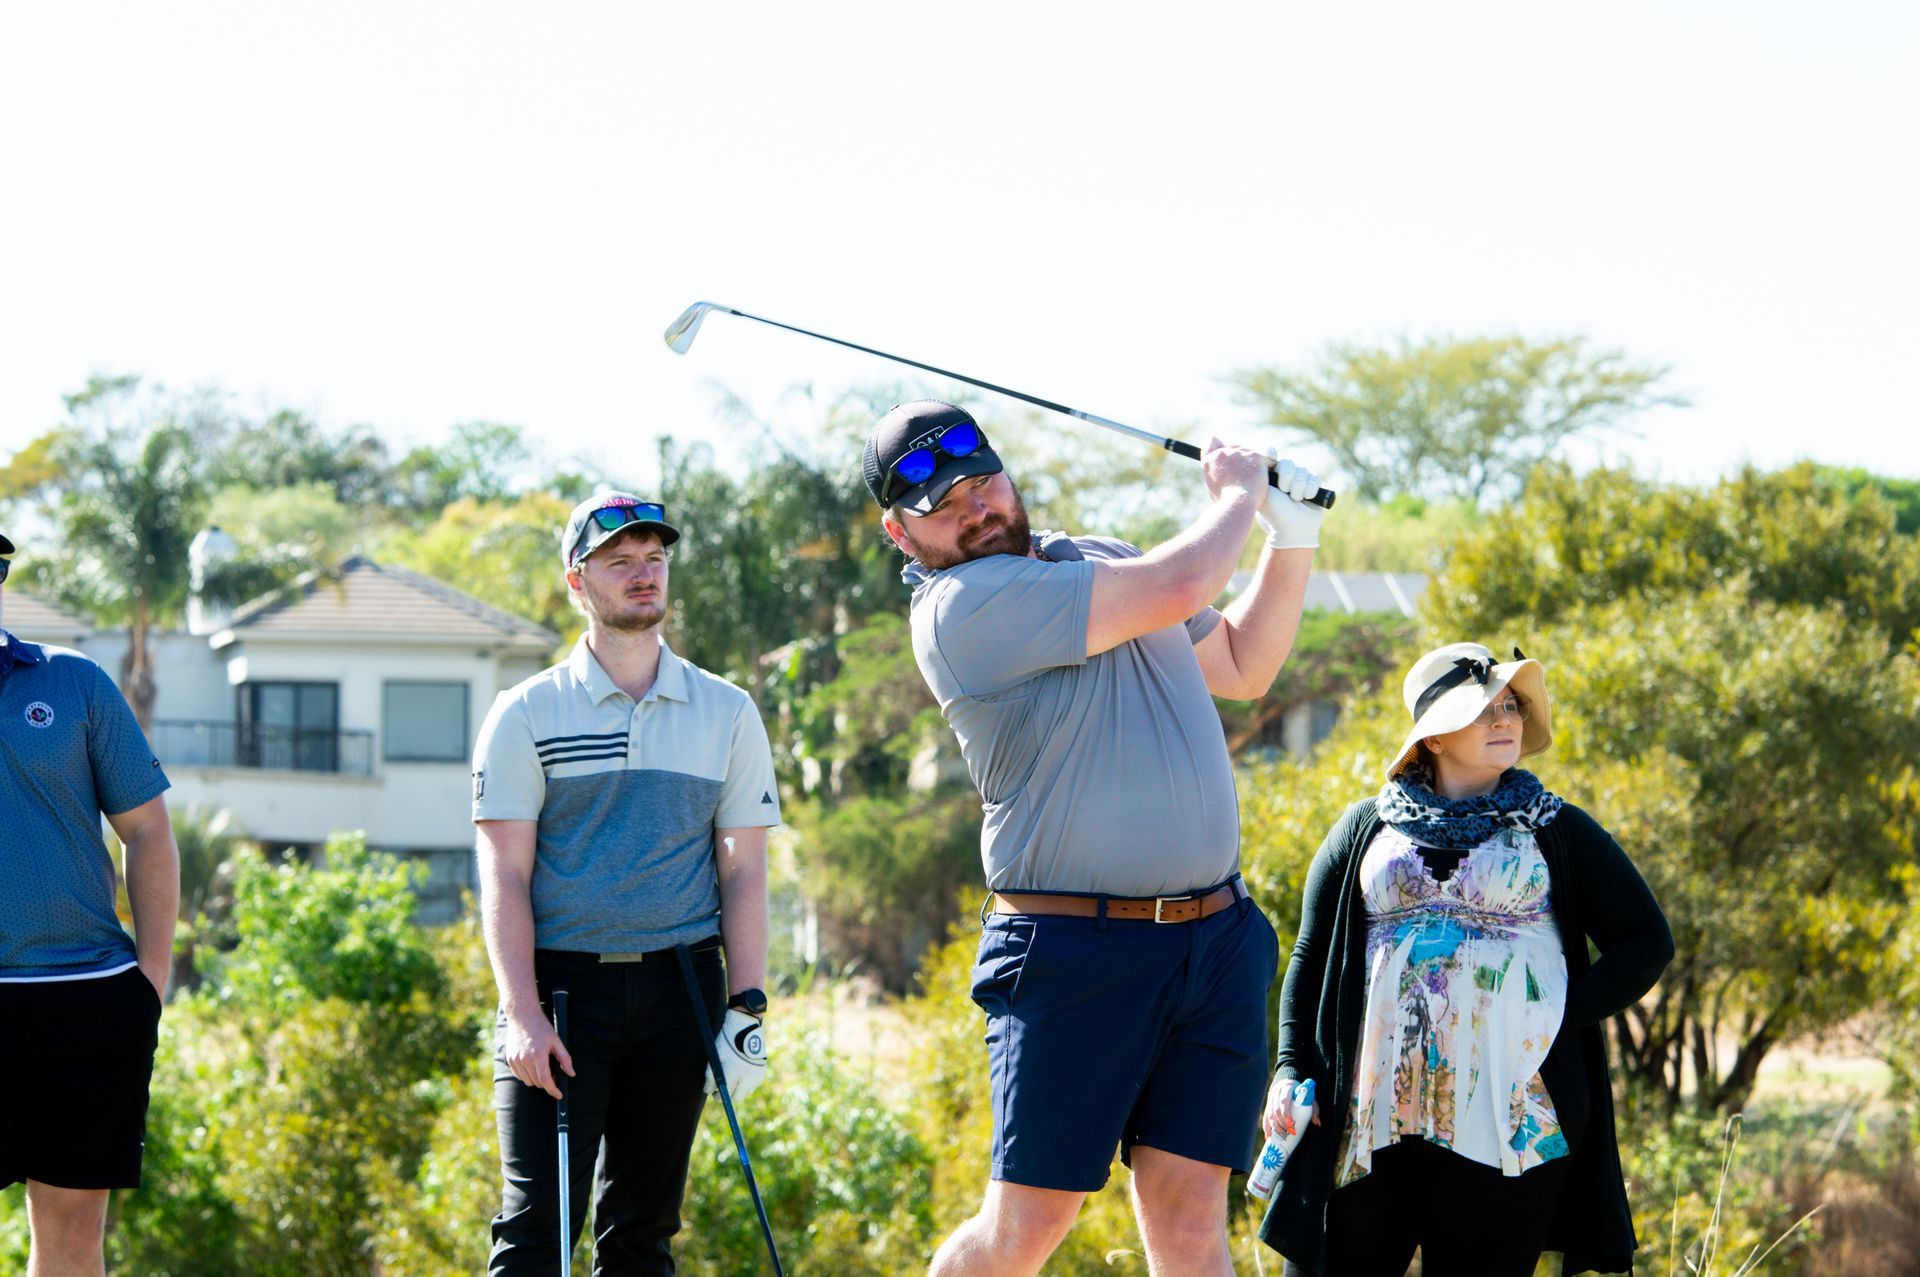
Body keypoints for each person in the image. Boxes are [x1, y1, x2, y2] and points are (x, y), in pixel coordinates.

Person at [865, 400, 1327, 1276]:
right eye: (942, 505)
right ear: (901, 533)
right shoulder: (961, 607)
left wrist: (1290, 535)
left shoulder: (1102, 557)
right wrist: (1239, 492)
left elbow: (1243, 665)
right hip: (1073, 950)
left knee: (1192, 1223)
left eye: (981, 481)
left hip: (1214, 941)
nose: (974, 508)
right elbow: (1182, 585)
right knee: (1025, 1227)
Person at [1257, 642, 1676, 1277]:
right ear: (1433, 738)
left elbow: (1647, 940)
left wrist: (1550, 1021)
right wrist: (1290, 1068)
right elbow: (1310, 956)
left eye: (1511, 707)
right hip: (1369, 1112)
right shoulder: (1364, 828)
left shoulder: (1556, 828)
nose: (1505, 720)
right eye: (1484, 710)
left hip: (1512, 1113)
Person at [471, 493, 782, 1276]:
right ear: (578, 581)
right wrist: (521, 1012)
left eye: (654, 559)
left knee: (643, 1235)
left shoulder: (727, 710)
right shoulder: (525, 712)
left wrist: (746, 1006)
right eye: (620, 562)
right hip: (560, 994)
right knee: (536, 1233)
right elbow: (503, 871)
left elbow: (744, 867)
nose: (644, 575)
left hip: (681, 990)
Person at [0, 530, 181, 1276]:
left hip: (88, 996)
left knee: (73, 1236)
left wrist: (150, 983)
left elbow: (148, 831)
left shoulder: (72, 681)